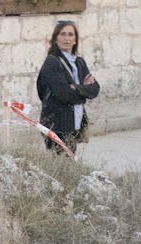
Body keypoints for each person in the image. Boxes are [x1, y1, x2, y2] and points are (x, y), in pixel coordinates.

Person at [36, 19, 100, 155]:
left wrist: (75, 88)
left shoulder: (79, 62)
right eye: (62, 34)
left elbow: (95, 89)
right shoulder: (52, 62)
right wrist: (83, 90)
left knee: (70, 161)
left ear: (76, 39)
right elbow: (63, 93)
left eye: (71, 34)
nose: (67, 38)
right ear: (55, 38)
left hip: (74, 122)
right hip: (56, 123)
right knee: (60, 165)